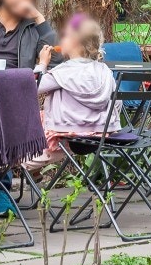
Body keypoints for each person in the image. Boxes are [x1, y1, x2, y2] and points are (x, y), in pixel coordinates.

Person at [28, 15, 118, 165]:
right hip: (100, 131)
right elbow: (116, 100)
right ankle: (34, 162)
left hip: (67, 131)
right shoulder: (104, 70)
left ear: (74, 42)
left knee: (28, 119)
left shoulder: (63, 71)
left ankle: (28, 163)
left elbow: (32, 88)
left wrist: (42, 63)